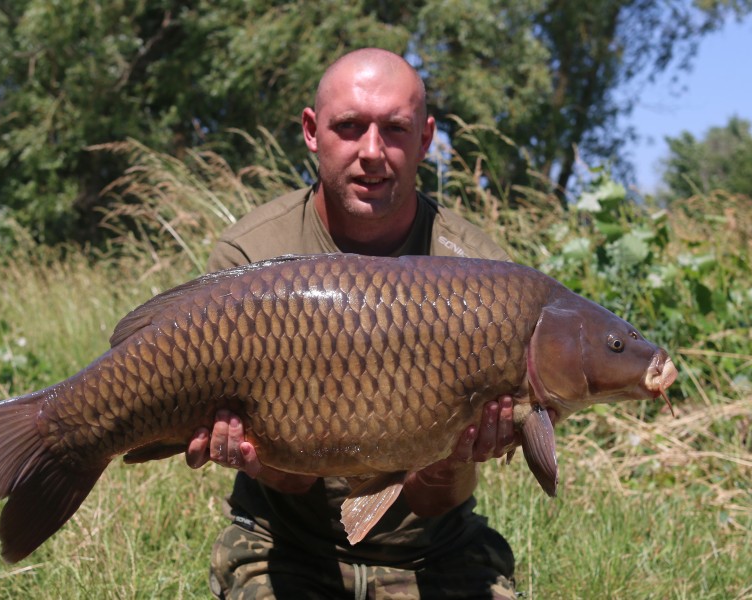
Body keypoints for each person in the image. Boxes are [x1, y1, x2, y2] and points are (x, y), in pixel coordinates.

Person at [186, 48, 520, 599]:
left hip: (430, 549)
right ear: (313, 132)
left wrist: (456, 458)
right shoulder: (251, 254)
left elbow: (438, 501)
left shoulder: (483, 280)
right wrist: (256, 458)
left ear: (426, 139)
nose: (372, 153)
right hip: (285, 543)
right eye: (349, 127)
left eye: (394, 129)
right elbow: (292, 484)